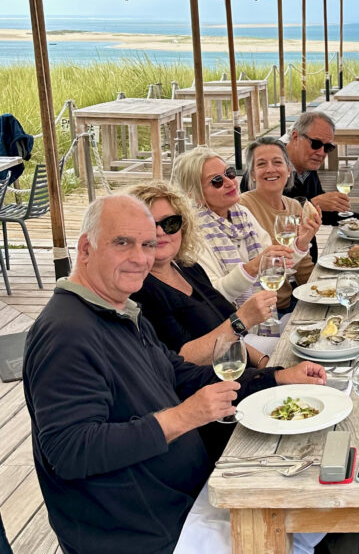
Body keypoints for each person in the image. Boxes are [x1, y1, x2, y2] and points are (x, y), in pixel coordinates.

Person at [22, 194, 327, 554]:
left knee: (315, 499)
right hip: (145, 532)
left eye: (147, 244)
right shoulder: (66, 333)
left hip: (189, 497)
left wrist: (276, 378)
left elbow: (181, 375)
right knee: (301, 520)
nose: (140, 257)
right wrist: (183, 417)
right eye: (123, 243)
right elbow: (69, 450)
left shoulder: (119, 312)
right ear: (86, 248)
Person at [127, 181, 278, 365]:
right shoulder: (140, 288)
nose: (160, 232)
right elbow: (182, 359)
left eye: (170, 223)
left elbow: (230, 334)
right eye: (149, 225)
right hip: (212, 384)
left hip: (237, 365)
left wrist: (263, 362)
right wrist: (244, 319)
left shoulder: (187, 267)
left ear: (183, 226)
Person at [171, 147, 319, 312]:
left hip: (263, 316)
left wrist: (301, 242)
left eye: (230, 173)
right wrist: (254, 266)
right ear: (194, 194)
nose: (229, 182)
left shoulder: (241, 214)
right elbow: (213, 295)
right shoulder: (193, 233)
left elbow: (274, 268)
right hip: (230, 326)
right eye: (217, 181)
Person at [239, 136, 316, 313]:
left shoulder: (294, 206)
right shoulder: (243, 207)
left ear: (289, 170)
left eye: (277, 162)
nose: (270, 169)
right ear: (252, 174)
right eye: (261, 164)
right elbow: (250, 264)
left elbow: (303, 265)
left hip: (288, 303)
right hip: (264, 314)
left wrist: (320, 293)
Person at [281, 111, 355, 261]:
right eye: (316, 144)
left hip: (307, 261)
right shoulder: (271, 169)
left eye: (327, 148)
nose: (321, 153)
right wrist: (311, 205)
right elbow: (271, 221)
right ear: (295, 137)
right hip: (281, 265)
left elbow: (326, 214)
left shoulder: (307, 166)